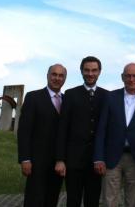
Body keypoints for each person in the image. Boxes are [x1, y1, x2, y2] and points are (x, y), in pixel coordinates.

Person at [93, 63, 135, 207]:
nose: (131, 79)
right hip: (111, 157)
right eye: (128, 76)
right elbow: (101, 129)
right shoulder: (111, 97)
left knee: (133, 200)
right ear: (122, 77)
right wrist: (98, 158)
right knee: (109, 200)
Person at [55, 56, 108, 207]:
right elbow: (63, 128)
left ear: (99, 72)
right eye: (87, 70)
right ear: (81, 71)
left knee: (93, 200)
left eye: (94, 70)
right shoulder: (71, 94)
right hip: (73, 160)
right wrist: (60, 159)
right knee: (73, 200)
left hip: (96, 161)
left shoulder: (107, 96)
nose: (90, 74)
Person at [17, 64, 68, 207]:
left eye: (61, 75)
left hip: (58, 163)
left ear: (64, 79)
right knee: (34, 199)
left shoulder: (67, 100)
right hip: (36, 162)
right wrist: (25, 159)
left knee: (52, 199)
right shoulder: (33, 97)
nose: (57, 78)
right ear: (47, 76)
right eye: (54, 74)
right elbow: (24, 131)